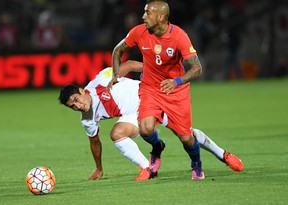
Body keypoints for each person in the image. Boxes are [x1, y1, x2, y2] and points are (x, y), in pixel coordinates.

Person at [59, 61, 244, 181]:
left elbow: (130, 65)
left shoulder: (101, 80)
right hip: (136, 114)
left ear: (82, 91)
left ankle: (223, 155)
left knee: (186, 135)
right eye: (72, 106)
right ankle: (146, 168)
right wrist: (98, 168)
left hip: (151, 96)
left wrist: (156, 73)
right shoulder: (87, 120)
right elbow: (95, 142)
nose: (78, 106)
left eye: (76, 100)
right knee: (117, 134)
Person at [107, 0, 205, 180]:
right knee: (145, 129)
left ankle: (196, 163)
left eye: (148, 13)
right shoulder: (139, 31)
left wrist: (177, 81)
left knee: (186, 139)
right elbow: (118, 50)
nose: (143, 16)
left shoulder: (179, 36)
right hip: (150, 88)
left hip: (175, 91)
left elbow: (197, 68)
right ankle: (158, 146)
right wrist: (115, 74)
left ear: (161, 17)